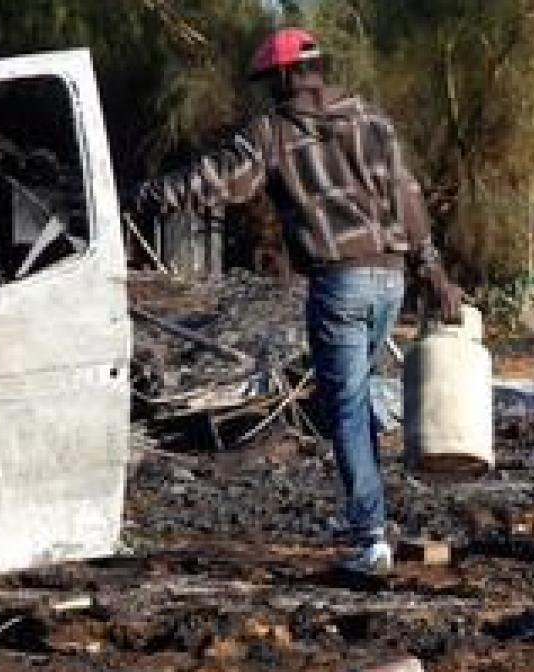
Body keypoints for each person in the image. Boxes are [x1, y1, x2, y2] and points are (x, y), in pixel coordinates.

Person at [136, 27, 463, 575]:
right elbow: (407, 197)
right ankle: (369, 513)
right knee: (356, 402)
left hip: (340, 281)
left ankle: (371, 538)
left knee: (347, 410)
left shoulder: (273, 131)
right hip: (390, 277)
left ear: (287, 76)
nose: (268, 92)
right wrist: (434, 272)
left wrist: (155, 194)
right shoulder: (372, 121)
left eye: (270, 82)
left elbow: (226, 181)